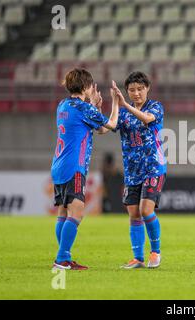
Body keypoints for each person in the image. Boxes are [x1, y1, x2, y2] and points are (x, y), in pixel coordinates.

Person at [52, 68, 119, 270]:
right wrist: (115, 102)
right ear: (86, 86)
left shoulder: (63, 105)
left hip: (59, 165)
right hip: (74, 166)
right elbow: (112, 125)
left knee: (63, 213)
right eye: (91, 86)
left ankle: (64, 256)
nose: (93, 89)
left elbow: (98, 130)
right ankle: (62, 259)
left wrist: (94, 107)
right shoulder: (83, 108)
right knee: (77, 212)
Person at [112, 72, 167, 269]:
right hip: (132, 171)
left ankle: (155, 252)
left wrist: (124, 105)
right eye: (132, 90)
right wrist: (110, 104)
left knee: (146, 210)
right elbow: (107, 126)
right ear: (126, 91)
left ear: (147, 89)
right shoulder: (123, 113)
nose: (136, 93)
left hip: (153, 167)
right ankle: (138, 258)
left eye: (140, 89)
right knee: (134, 213)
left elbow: (147, 119)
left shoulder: (155, 107)